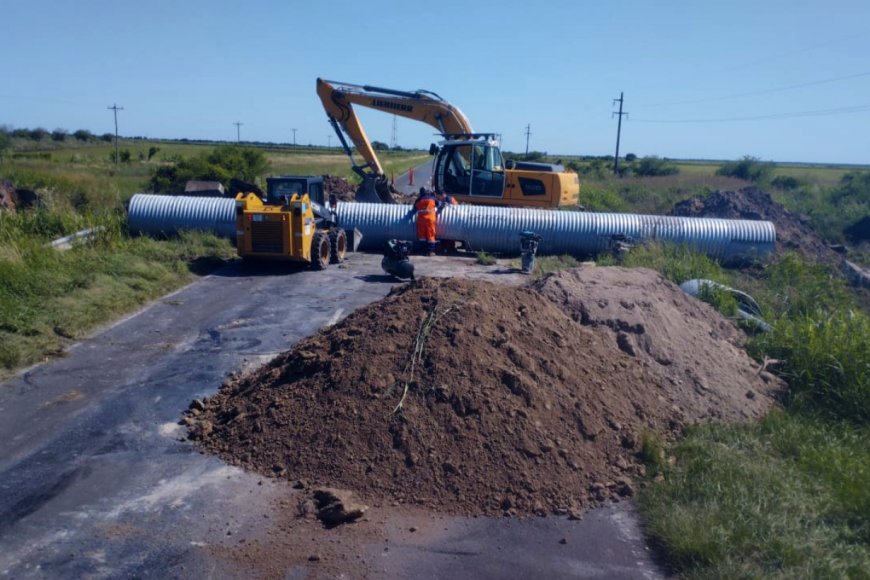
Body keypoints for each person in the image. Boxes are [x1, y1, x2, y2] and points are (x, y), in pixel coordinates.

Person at [413, 187, 438, 256]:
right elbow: (437, 204)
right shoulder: (431, 198)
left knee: (422, 236)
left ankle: (423, 250)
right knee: (431, 235)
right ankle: (431, 251)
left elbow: (414, 208)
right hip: (430, 220)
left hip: (421, 220)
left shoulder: (418, 200)